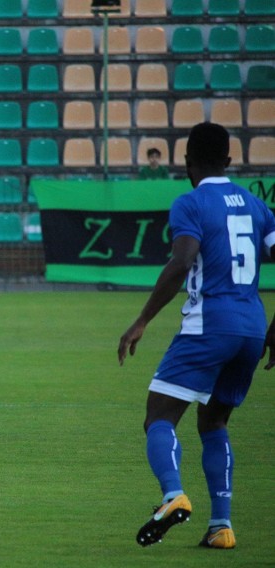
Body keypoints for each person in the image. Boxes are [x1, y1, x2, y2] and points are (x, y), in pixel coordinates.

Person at [118, 122, 275, 549]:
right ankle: (221, 526)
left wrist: (142, 320)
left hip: (209, 325)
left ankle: (173, 495)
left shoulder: (190, 203)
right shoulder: (256, 206)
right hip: (252, 328)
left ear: (186, 161)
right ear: (229, 160)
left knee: (159, 417)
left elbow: (183, 260)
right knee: (214, 421)